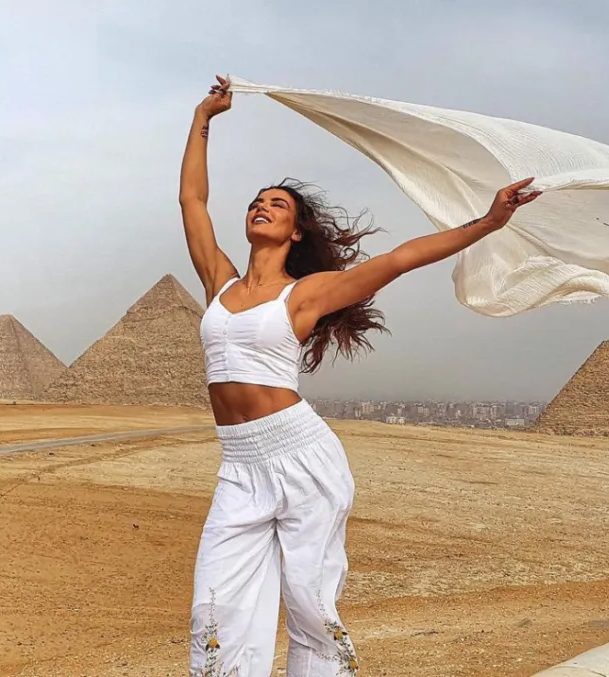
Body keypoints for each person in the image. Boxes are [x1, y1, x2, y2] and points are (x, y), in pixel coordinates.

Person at [179, 75, 540, 677]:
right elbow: (192, 201)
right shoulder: (218, 282)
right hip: (239, 466)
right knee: (216, 608)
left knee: (311, 608)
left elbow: (397, 260)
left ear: (295, 232)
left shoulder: (307, 295)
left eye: (279, 204)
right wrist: (204, 117)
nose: (262, 205)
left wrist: (486, 223)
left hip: (301, 456)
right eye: (256, 200)